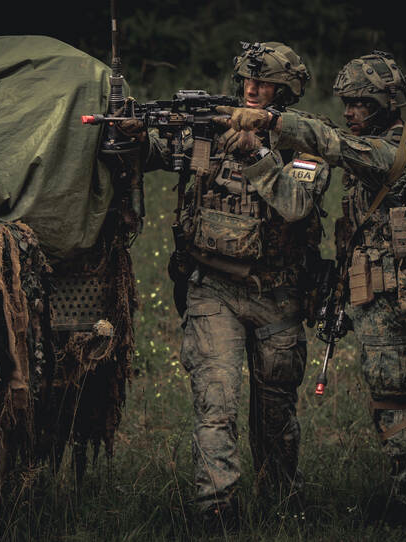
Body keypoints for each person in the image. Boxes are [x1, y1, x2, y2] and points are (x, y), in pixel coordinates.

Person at [218, 50, 406, 529]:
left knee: (393, 399)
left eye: (360, 104)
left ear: (388, 103)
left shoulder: (390, 151)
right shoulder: (399, 143)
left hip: (393, 299)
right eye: (347, 103)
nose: (350, 112)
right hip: (397, 294)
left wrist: (270, 120)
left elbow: (328, 142)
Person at [125, 42, 331, 529]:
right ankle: (216, 511)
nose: (252, 90)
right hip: (212, 288)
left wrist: (259, 154)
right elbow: (156, 152)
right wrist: (135, 136)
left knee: (275, 414)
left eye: (265, 84)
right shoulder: (210, 130)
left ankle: (281, 506)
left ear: (287, 91)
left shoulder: (304, 143)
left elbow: (297, 206)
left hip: (278, 294)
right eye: (247, 81)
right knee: (215, 404)